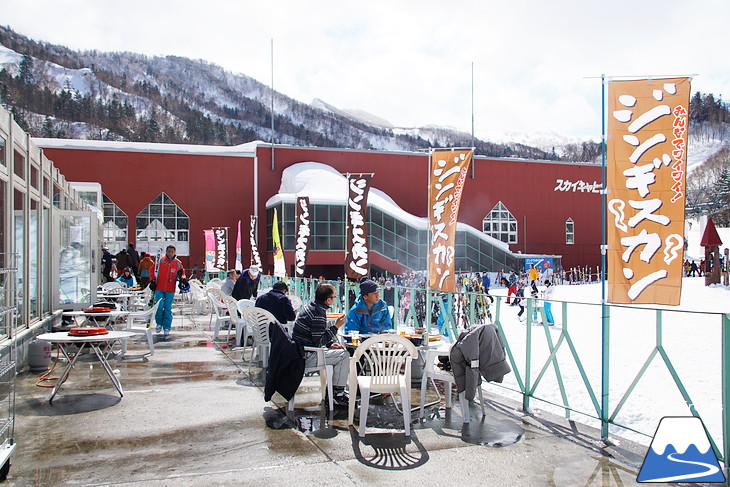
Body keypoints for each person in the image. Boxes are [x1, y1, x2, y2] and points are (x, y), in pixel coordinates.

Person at [292, 282, 350, 407]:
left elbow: (317, 335)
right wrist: (336, 327)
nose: (336, 298)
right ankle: (337, 394)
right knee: (344, 355)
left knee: (339, 353)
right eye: (335, 296)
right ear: (328, 300)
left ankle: (335, 391)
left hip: (299, 351)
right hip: (305, 356)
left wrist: (330, 344)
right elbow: (318, 342)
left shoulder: (312, 306)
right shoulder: (318, 313)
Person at [151, 245, 185, 337]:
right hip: (159, 287)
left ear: (174, 252)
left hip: (170, 288)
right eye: (169, 251)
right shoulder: (160, 261)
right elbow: (153, 270)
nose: (170, 253)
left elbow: (182, 273)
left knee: (167, 308)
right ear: (166, 251)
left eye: (172, 252)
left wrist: (182, 279)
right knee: (159, 306)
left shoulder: (177, 263)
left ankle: (167, 326)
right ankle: (159, 323)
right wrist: (152, 280)